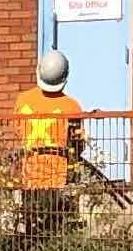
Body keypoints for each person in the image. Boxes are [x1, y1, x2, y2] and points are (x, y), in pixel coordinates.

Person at [13, 48, 88, 237]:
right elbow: (78, 143)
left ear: (39, 71)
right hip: (57, 179)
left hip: (29, 177)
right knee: (55, 228)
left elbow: (17, 131)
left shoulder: (23, 100)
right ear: (65, 76)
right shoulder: (72, 106)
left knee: (30, 229)